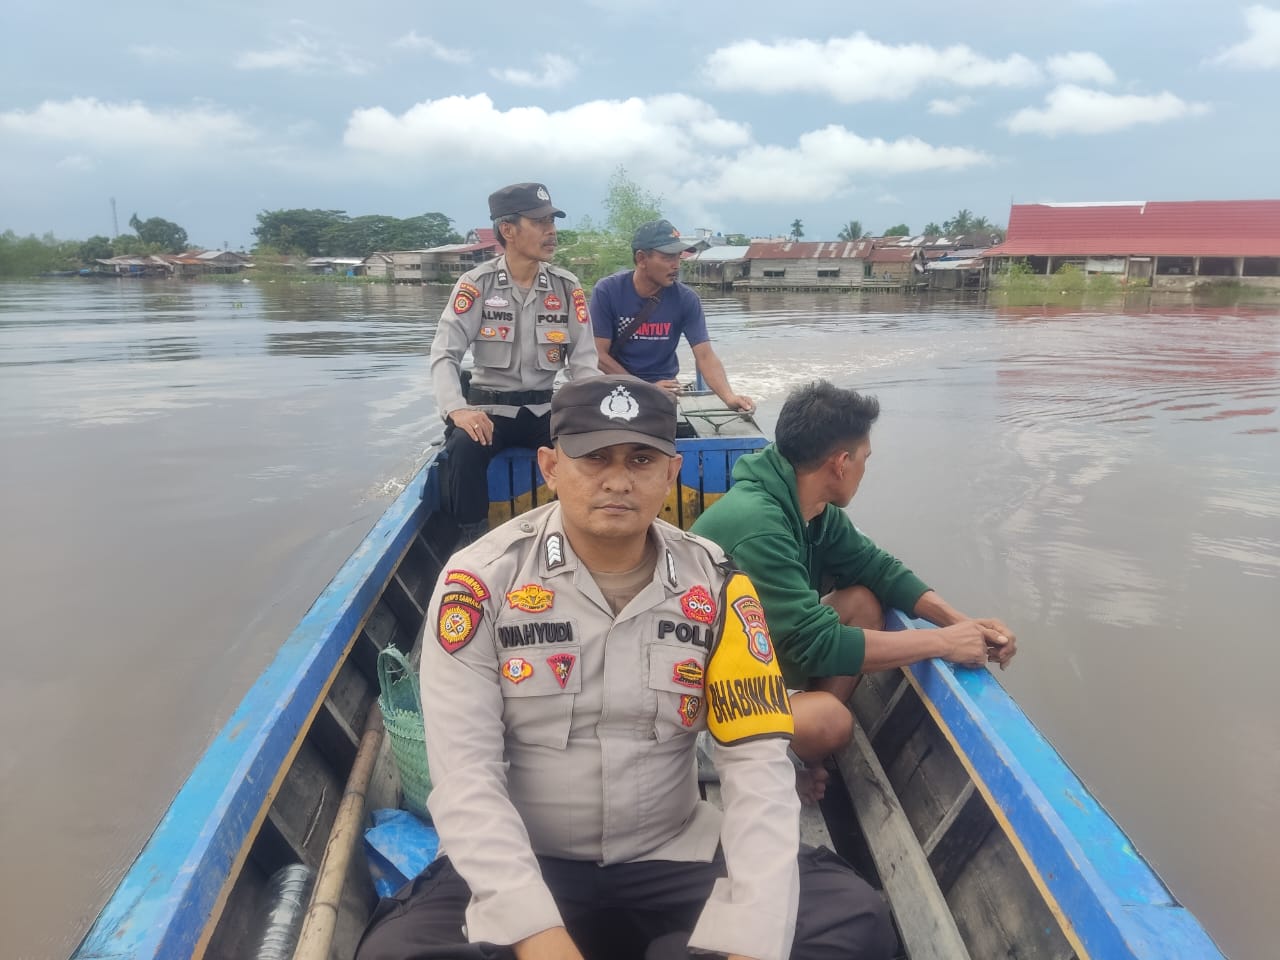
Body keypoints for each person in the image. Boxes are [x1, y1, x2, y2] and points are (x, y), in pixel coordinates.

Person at [355, 374, 895, 960]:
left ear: (670, 472)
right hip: (524, 856)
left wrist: (753, 941)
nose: (617, 480)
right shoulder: (480, 584)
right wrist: (539, 939)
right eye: (593, 458)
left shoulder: (717, 587)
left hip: (671, 852)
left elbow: (758, 767)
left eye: (641, 459)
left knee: (854, 920)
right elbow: (467, 783)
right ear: (550, 466)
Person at [691, 380, 1017, 797]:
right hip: (701, 707)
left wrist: (962, 623)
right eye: (865, 459)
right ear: (841, 463)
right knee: (832, 720)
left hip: (751, 669)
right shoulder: (758, 525)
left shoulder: (807, 505)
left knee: (862, 601)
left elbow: (875, 567)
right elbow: (819, 644)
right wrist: (942, 643)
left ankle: (800, 754)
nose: (866, 469)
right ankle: (769, 762)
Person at [430, 182, 599, 544]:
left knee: (588, 444)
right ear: (508, 230)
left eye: (552, 221)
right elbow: (445, 353)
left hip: (543, 409)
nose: (551, 231)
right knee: (463, 446)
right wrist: (457, 410)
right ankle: (469, 538)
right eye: (539, 222)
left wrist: (590, 412)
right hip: (488, 411)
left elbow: (584, 363)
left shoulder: (567, 287)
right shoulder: (476, 284)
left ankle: (574, 530)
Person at [590, 219, 754, 414]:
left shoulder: (686, 299)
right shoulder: (608, 291)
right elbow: (598, 355)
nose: (676, 265)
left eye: (678, 257)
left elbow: (705, 356)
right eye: (668, 257)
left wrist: (729, 397)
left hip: (664, 392)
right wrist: (643, 389)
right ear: (642, 259)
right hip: (615, 388)